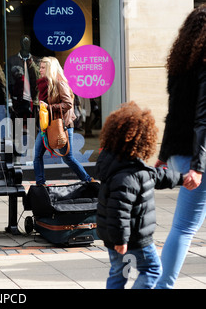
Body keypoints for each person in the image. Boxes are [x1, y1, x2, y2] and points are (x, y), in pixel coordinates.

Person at [95, 102, 183, 289]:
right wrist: (121, 240)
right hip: (132, 238)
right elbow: (119, 211)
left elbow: (158, 176)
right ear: (144, 141)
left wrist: (182, 179)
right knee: (152, 270)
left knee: (119, 273)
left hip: (116, 237)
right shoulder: (130, 175)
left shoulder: (118, 165)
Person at [154, 4, 206, 289]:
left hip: (179, 154)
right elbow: (203, 121)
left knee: (185, 225)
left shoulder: (179, 66)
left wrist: (163, 156)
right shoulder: (203, 68)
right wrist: (198, 168)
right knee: (184, 227)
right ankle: (163, 285)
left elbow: (172, 114)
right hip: (197, 159)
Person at [33, 56, 92, 184]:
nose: (40, 70)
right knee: (37, 156)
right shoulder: (44, 84)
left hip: (61, 126)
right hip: (46, 125)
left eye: (43, 67)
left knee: (68, 158)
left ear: (50, 69)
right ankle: (40, 184)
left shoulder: (60, 82)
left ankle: (88, 180)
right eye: (40, 67)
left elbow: (68, 104)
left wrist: (49, 107)